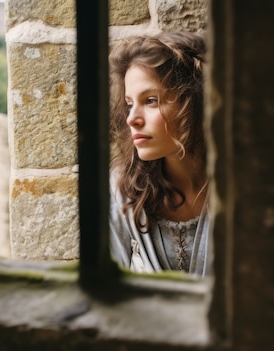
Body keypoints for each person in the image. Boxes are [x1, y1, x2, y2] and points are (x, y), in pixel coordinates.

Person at [108, 32, 212, 276]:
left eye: (151, 100)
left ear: (193, 101)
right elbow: (108, 293)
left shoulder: (244, 186)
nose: (132, 119)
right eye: (129, 104)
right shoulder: (121, 191)